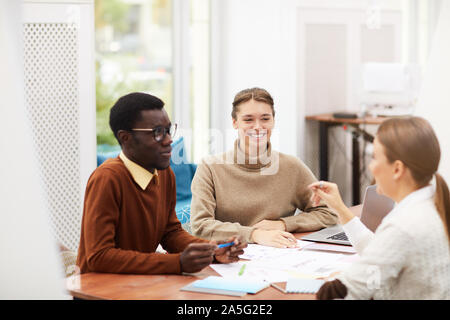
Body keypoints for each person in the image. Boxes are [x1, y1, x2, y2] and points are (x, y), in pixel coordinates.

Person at [76, 92, 246, 275]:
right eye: (157, 133)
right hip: (99, 290)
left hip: (140, 284)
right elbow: (99, 257)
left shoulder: (165, 174)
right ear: (125, 138)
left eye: (168, 130)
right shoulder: (107, 179)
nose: (168, 140)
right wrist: (177, 263)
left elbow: (170, 233)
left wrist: (212, 250)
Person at [311, 116, 450, 299]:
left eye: (375, 157)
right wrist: (339, 208)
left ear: (397, 169)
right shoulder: (430, 205)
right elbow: (380, 251)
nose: (371, 167)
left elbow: (348, 292)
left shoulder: (404, 226)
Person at [190, 87, 338, 248]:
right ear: (235, 122)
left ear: (273, 121)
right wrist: (254, 234)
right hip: (228, 256)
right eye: (248, 120)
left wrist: (283, 224)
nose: (258, 127)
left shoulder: (292, 166)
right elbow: (200, 226)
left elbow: (328, 213)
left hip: (278, 254)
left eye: (265, 119)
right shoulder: (210, 168)